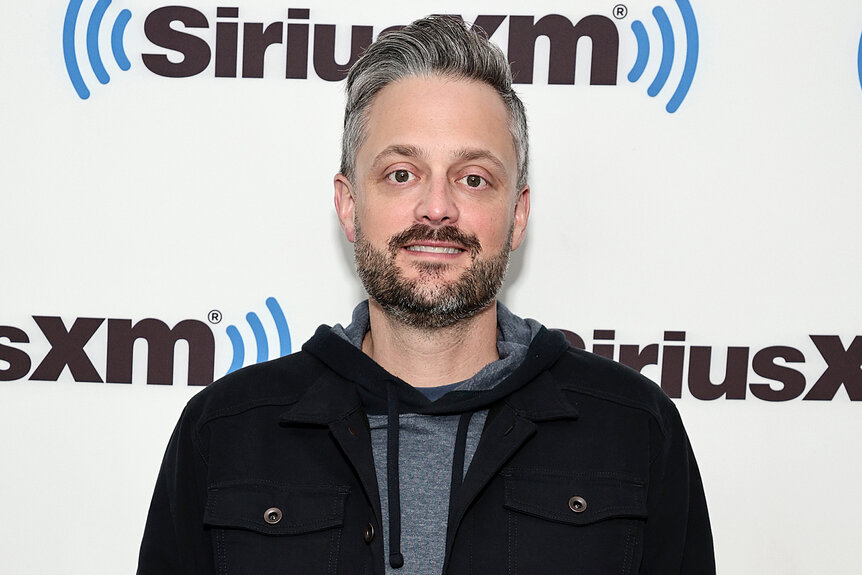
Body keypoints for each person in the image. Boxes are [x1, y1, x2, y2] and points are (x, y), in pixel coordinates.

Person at [137, 15, 715, 575]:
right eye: (400, 173)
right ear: (348, 205)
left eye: (473, 178)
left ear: (517, 216)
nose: (436, 208)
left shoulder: (635, 431)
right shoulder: (225, 432)